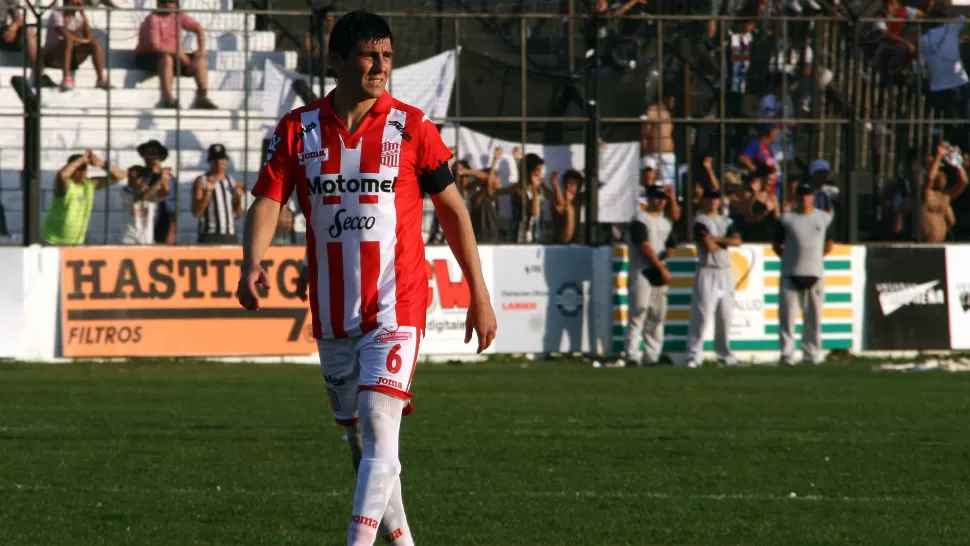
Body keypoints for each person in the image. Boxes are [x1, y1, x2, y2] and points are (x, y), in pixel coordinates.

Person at [236, 11, 497, 546]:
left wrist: (479, 294)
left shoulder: (413, 127)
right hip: (333, 315)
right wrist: (251, 261)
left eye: (387, 56)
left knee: (381, 432)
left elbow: (454, 212)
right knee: (363, 449)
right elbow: (268, 199)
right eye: (367, 55)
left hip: (397, 306)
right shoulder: (298, 128)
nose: (380, 66)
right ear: (335, 61)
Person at [772, 181, 834, 366]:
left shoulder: (823, 218)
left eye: (807, 195)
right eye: (801, 195)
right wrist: (790, 258)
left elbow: (829, 244)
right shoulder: (786, 219)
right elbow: (776, 244)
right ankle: (787, 354)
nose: (804, 198)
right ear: (796, 197)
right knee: (787, 318)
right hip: (791, 273)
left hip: (815, 274)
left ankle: (812, 354)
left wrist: (813, 259)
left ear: (813, 197)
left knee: (813, 318)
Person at [621, 184, 677, 367]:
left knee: (657, 315)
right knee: (638, 312)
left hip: (659, 269)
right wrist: (661, 267)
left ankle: (651, 356)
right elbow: (644, 246)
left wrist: (669, 252)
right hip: (642, 269)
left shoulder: (665, 222)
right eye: (656, 197)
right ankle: (631, 355)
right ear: (648, 198)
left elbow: (671, 242)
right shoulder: (640, 219)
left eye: (662, 198)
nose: (659, 201)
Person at [684, 188, 741, 368]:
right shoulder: (700, 221)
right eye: (710, 199)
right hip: (707, 269)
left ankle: (724, 353)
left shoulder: (726, 221)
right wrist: (724, 241)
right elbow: (708, 246)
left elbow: (737, 241)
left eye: (716, 199)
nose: (713, 202)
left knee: (725, 316)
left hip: (725, 270)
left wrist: (717, 239)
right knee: (702, 315)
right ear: (704, 201)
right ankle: (694, 354)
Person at [134, 0, 218, 109]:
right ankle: (169, 99)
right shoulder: (153, 19)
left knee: (200, 60)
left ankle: (202, 98)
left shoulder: (178, 15)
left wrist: (201, 51)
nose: (167, 4)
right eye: (164, 2)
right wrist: (179, 54)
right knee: (167, 58)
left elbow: (198, 28)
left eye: (171, 1)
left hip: (174, 56)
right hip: (147, 56)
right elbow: (155, 46)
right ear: (158, 4)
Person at [42, 150, 124, 245]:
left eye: (84, 168)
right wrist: (80, 161)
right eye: (77, 169)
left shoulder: (90, 185)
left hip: (76, 242)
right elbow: (62, 175)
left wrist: (100, 163)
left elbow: (120, 175)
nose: (81, 172)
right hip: (53, 240)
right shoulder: (67, 185)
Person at [43, 0, 109, 91]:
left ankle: (100, 79)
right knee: (68, 41)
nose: (76, 5)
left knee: (95, 44)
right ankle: (66, 78)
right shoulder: (57, 14)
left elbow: (89, 35)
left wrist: (83, 13)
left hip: (70, 56)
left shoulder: (78, 17)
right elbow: (64, 33)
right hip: (52, 56)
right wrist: (82, 40)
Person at [192, 143, 244, 244]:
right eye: (215, 159)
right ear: (210, 161)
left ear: (226, 160)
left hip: (230, 235)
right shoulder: (201, 181)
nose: (218, 162)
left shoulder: (233, 182)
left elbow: (238, 215)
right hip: (209, 236)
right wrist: (207, 194)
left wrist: (238, 199)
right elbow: (197, 212)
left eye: (221, 159)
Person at [920, 141, 968, 242]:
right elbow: (930, 178)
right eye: (940, 174)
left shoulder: (946, 196)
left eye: (944, 175)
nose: (943, 178)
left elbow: (963, 182)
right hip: (926, 244)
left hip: (942, 243)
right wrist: (939, 156)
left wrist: (956, 162)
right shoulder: (927, 193)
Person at [1, 0, 53, 86]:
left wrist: (14, 27)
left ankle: (40, 74)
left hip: (2, 31)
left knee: (29, 33)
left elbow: (19, 19)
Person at [121, 164, 170, 244]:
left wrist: (164, 179)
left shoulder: (151, 191)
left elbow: (165, 194)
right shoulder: (126, 191)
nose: (129, 181)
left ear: (142, 179)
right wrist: (160, 179)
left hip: (146, 239)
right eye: (128, 177)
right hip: (128, 238)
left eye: (132, 178)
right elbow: (143, 197)